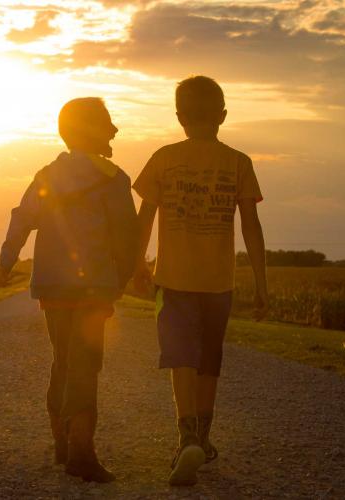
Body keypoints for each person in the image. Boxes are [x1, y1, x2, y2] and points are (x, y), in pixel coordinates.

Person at [0, 97, 138, 483]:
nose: (115, 130)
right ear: (95, 131)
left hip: (53, 285)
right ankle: (81, 450)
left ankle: (62, 440)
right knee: (85, 364)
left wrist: (6, 261)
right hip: (94, 288)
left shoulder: (47, 175)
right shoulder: (113, 179)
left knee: (63, 360)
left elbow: (22, 218)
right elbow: (127, 235)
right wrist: (122, 279)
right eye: (108, 124)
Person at [132, 76, 268, 486]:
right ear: (223, 116)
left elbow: (144, 219)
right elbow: (252, 227)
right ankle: (203, 439)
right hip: (219, 283)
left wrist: (138, 263)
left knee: (180, 358)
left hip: (173, 281)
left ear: (180, 117)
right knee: (209, 359)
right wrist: (262, 284)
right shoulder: (239, 162)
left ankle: (187, 435)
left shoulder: (162, 158)